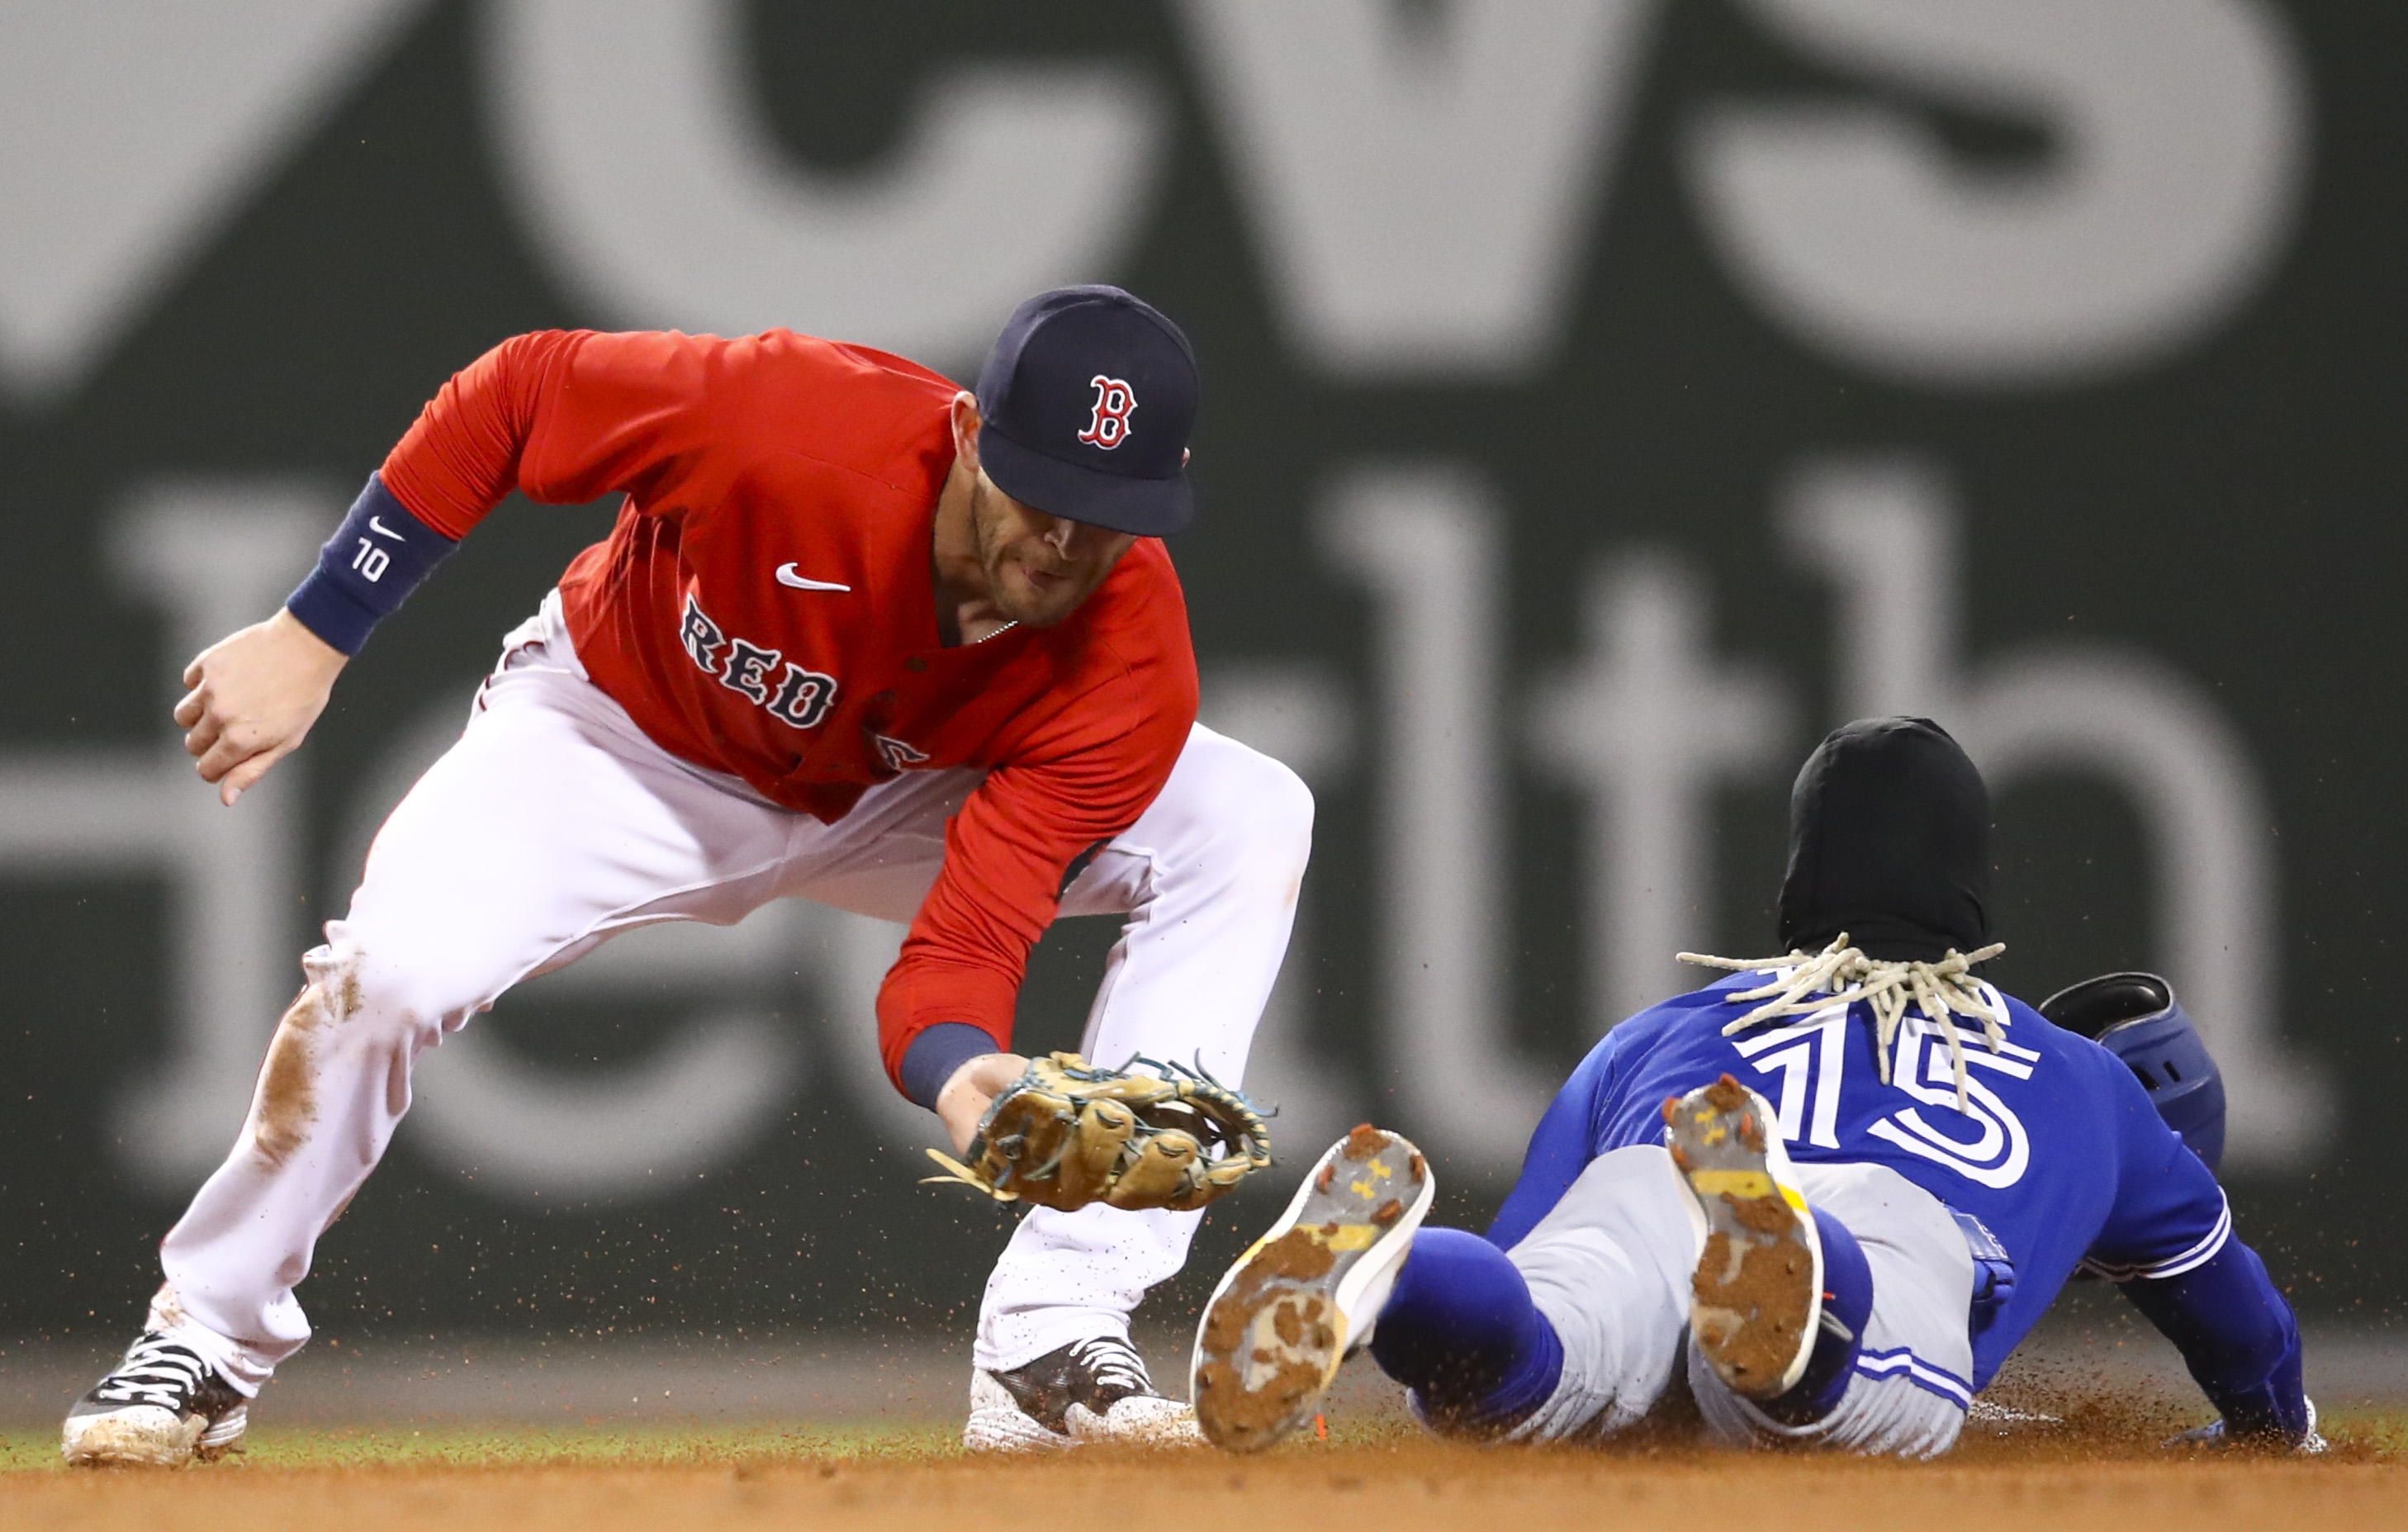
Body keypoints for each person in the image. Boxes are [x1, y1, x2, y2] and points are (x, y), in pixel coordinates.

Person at [64, 286, 1315, 1467]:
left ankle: (1060, 1327)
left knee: (1249, 813)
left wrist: (965, 1077)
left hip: (890, 795)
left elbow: (966, 945)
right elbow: (517, 393)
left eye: (1108, 513)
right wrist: (317, 630)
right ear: (969, 431)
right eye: (1041, 488)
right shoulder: (789, 424)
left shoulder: (1127, 657)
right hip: (619, 739)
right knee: (386, 978)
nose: (1064, 536)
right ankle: (206, 1339)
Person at [1192, 717, 2317, 1458]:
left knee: (1532, 1364)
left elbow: (1530, 1244)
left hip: (1665, 1171)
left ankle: (1386, 1279)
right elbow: (2244, 1326)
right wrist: (2279, 1432)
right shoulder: (2081, 1077)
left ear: (1798, 878)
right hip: (1895, 1234)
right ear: (1974, 885)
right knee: (1814, 1400)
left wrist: (1478, 1323)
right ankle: (1803, 1283)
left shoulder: (1658, 1035)